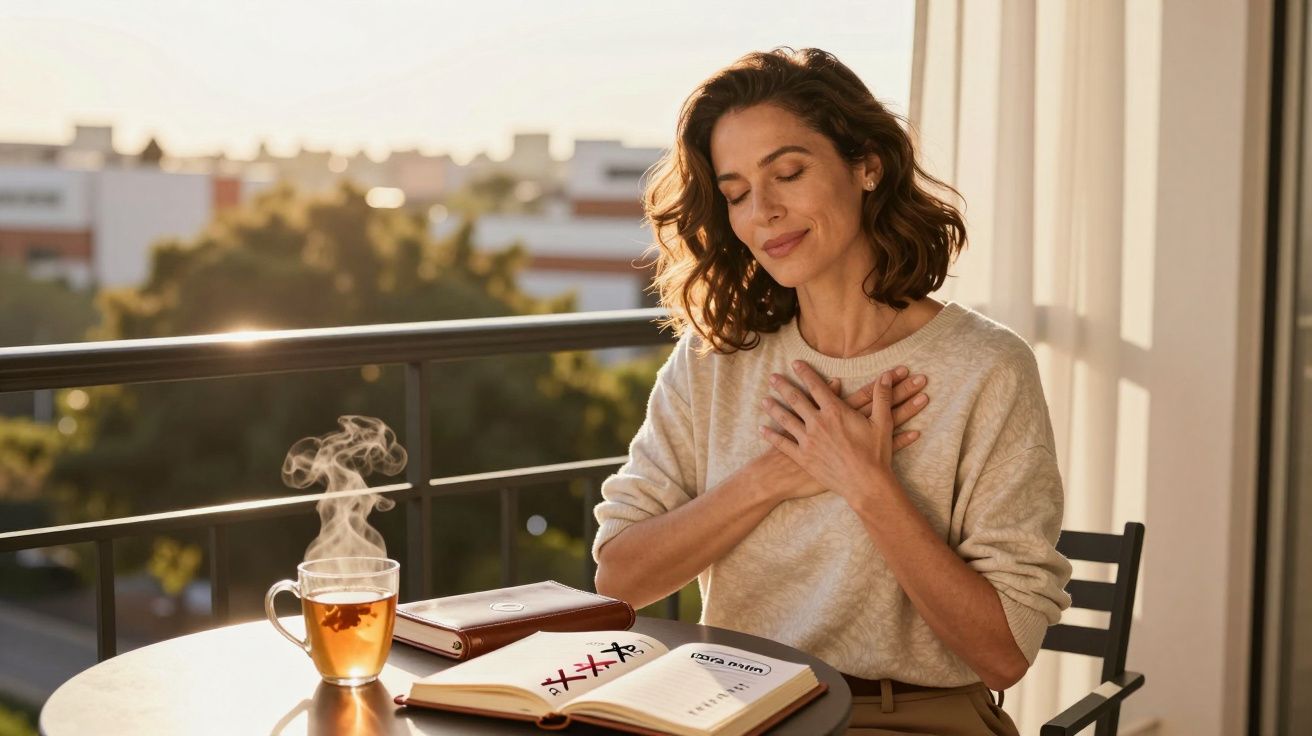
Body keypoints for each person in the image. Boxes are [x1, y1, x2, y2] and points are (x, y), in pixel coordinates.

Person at [592, 47, 1071, 736]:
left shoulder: (986, 368)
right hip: (731, 709)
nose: (765, 212)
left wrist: (865, 481)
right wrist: (774, 475)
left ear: (866, 164)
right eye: (735, 193)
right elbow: (620, 579)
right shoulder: (714, 364)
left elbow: (1003, 653)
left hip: (907, 718)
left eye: (788, 172)